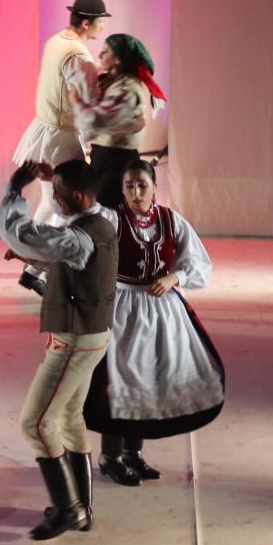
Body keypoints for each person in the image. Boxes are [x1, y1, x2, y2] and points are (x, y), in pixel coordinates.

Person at [0, 158, 118, 540]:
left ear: (78, 197)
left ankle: (69, 509)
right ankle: (82, 509)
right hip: (93, 335)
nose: (55, 201)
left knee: (35, 424)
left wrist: (15, 189)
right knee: (69, 417)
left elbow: (20, 231)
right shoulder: (104, 221)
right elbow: (75, 265)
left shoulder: (77, 237)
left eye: (58, 194)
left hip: (75, 340)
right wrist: (32, 258)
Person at [83, 159, 224, 485]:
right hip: (123, 308)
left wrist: (175, 277)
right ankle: (110, 456)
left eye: (142, 185)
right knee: (121, 379)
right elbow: (80, 237)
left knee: (151, 378)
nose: (136, 192)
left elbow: (199, 262)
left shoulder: (170, 220)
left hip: (162, 312)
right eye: (129, 186)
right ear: (121, 190)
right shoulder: (111, 219)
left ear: (155, 187)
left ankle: (133, 452)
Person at [8, 0, 114, 296]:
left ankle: (30, 266)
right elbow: (87, 101)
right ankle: (38, 265)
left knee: (50, 202)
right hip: (60, 138)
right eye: (100, 22)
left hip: (45, 130)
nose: (102, 27)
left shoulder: (56, 42)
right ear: (86, 23)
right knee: (67, 205)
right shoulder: (78, 55)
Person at [79, 34, 159, 203]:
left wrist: (76, 102)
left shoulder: (127, 88)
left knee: (108, 206)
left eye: (105, 51)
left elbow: (99, 119)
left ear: (118, 59)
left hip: (116, 160)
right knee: (101, 204)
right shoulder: (112, 80)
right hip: (105, 155)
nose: (100, 55)